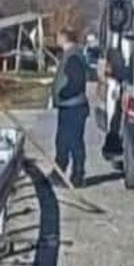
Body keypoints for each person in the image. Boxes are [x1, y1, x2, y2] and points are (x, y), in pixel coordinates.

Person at [52, 29, 90, 187]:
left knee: (74, 143)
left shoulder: (73, 56)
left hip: (74, 106)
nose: (56, 39)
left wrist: (63, 93)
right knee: (62, 142)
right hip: (68, 106)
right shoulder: (68, 55)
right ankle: (58, 173)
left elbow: (76, 81)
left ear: (64, 37)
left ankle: (77, 176)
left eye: (58, 36)